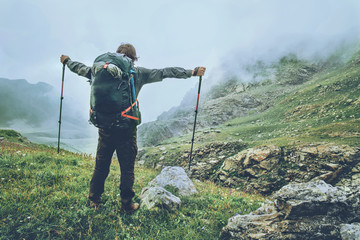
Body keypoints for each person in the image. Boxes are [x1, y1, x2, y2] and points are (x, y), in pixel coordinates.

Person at [60, 43, 206, 213]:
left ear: (117, 56)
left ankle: (94, 200)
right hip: (126, 129)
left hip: (105, 127)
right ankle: (126, 204)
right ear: (133, 59)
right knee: (127, 168)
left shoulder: (99, 70)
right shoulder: (137, 73)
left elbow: (79, 68)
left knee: (101, 165)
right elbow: (165, 72)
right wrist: (191, 72)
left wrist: (67, 61)